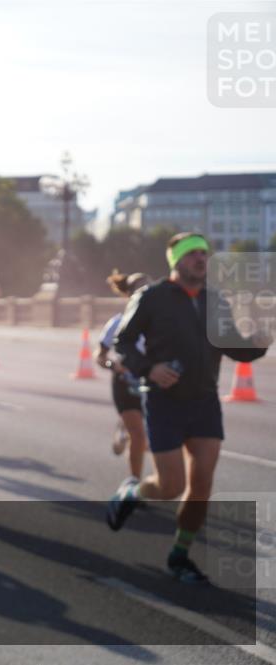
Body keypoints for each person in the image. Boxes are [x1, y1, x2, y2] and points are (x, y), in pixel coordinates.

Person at [107, 233, 271, 583]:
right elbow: (121, 344)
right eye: (193, 253)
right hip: (164, 401)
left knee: (202, 484)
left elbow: (235, 348)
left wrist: (259, 343)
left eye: (204, 253)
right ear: (176, 261)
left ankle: (180, 555)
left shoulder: (216, 300)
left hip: (204, 400)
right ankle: (133, 492)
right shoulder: (151, 297)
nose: (201, 258)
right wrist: (149, 368)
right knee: (170, 486)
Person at [96, 270, 150, 479]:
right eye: (141, 289)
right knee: (139, 435)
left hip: (150, 382)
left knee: (148, 438)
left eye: (150, 289)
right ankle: (134, 486)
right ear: (130, 295)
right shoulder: (118, 322)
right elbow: (99, 356)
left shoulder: (161, 323)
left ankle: (123, 428)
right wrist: (114, 365)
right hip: (125, 382)